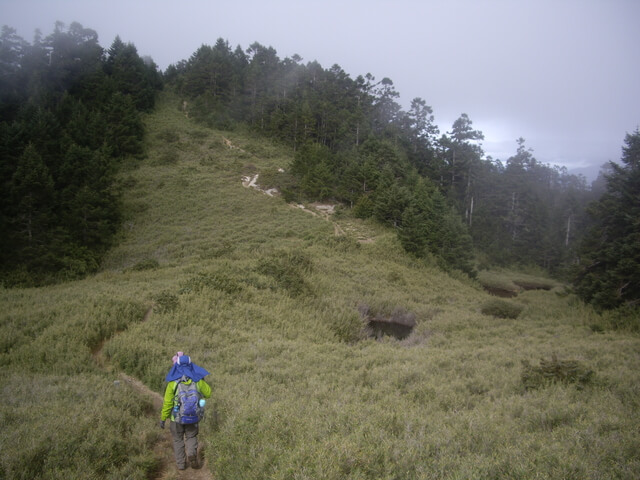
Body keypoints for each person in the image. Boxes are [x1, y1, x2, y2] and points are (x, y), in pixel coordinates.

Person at [159, 352, 212, 470]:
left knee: (178, 440)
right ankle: (191, 453)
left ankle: (181, 464)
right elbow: (208, 393)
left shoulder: (173, 383)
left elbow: (167, 403)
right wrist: (202, 379)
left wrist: (163, 418)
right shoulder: (197, 380)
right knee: (191, 436)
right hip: (193, 416)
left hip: (176, 418)